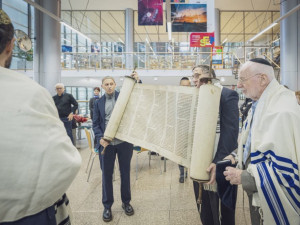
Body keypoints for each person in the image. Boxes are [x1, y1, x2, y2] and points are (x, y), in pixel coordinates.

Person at [0, 9, 81, 224]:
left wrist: (73, 113)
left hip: (66, 121)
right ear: (11, 46)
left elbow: (74, 105)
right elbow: (66, 164)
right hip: (25, 216)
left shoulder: (67, 96)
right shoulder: (32, 92)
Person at [224, 58, 300, 225]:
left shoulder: (282, 111)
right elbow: (253, 141)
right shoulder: (260, 104)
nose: (238, 85)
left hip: (272, 197)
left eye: (242, 79)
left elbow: (286, 172)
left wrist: (244, 177)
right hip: (260, 193)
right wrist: (235, 156)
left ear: (263, 79)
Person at [191, 65, 239, 225]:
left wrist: (217, 163)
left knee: (223, 212)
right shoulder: (196, 97)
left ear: (210, 76)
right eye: (193, 76)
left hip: (220, 162)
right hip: (199, 163)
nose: (194, 80)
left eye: (197, 76)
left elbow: (231, 134)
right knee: (204, 208)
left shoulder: (227, 95)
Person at [93, 75, 140, 222]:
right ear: (102, 86)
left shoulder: (123, 97)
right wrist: (101, 137)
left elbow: (136, 96)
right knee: (106, 175)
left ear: (115, 85)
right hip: (106, 145)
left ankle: (126, 203)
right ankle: (107, 206)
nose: (109, 86)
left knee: (125, 173)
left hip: (123, 143)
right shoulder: (98, 103)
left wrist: (136, 81)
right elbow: (95, 123)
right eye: (106, 84)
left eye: (111, 84)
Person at [178, 77, 190, 183]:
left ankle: (188, 171)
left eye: (187, 86)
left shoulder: (193, 98)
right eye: (183, 86)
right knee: (180, 154)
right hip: (180, 132)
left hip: (191, 132)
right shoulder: (176, 99)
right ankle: (182, 173)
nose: (185, 88)